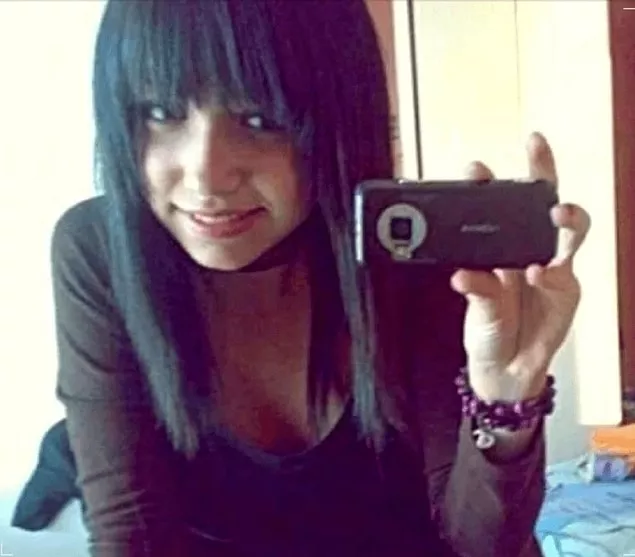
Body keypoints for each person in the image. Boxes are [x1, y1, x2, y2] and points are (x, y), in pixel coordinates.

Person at [50, 1, 590, 556]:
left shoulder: (411, 259)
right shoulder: (100, 254)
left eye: (259, 119)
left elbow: (481, 546)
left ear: (337, 119)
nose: (206, 175)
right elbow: (133, 535)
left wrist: (505, 396)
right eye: (161, 112)